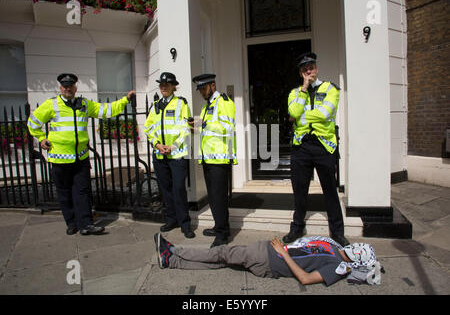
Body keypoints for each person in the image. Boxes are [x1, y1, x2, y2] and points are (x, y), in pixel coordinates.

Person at [27, 73, 135, 235]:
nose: (68, 88)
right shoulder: (51, 105)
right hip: (59, 158)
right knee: (64, 193)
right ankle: (71, 223)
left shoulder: (84, 104)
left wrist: (125, 99)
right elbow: (32, 123)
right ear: (60, 88)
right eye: (65, 86)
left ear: (75, 88)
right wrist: (41, 138)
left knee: (82, 192)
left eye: (71, 86)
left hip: (80, 158)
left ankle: (86, 224)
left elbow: (106, 110)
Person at [285, 52, 350, 247]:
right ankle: (297, 227)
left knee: (330, 191)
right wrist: (304, 88)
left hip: (324, 145)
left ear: (316, 68)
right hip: (301, 147)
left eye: (311, 67)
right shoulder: (295, 92)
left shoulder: (331, 89)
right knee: (299, 191)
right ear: (300, 73)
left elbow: (324, 114)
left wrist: (300, 118)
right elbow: (293, 111)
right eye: (304, 69)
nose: (308, 71)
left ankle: (337, 232)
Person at [154, 233, 382, 286]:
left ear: (359, 260)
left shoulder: (338, 266)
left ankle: (175, 250)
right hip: (268, 252)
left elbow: (305, 278)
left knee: (221, 252)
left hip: (269, 259)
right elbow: (303, 245)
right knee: (223, 261)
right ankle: (171, 261)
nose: (359, 246)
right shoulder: (334, 246)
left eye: (363, 251)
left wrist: (282, 253)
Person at [144, 72, 195, 239]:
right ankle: (171, 219)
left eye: (167, 85)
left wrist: (172, 147)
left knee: (179, 188)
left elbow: (186, 129)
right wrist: (158, 145)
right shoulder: (155, 105)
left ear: (174, 86)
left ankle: (185, 224)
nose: (163, 87)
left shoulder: (181, 104)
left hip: (177, 155)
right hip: (160, 155)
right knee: (165, 189)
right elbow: (149, 128)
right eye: (161, 85)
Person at [190, 74, 237, 248]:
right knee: (213, 197)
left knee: (219, 197)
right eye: (200, 89)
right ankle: (219, 226)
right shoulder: (207, 106)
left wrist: (205, 125)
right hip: (208, 158)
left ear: (212, 85)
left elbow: (228, 128)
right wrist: (195, 127)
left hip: (220, 159)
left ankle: (223, 235)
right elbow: (205, 130)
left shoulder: (224, 102)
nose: (202, 91)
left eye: (204, 88)